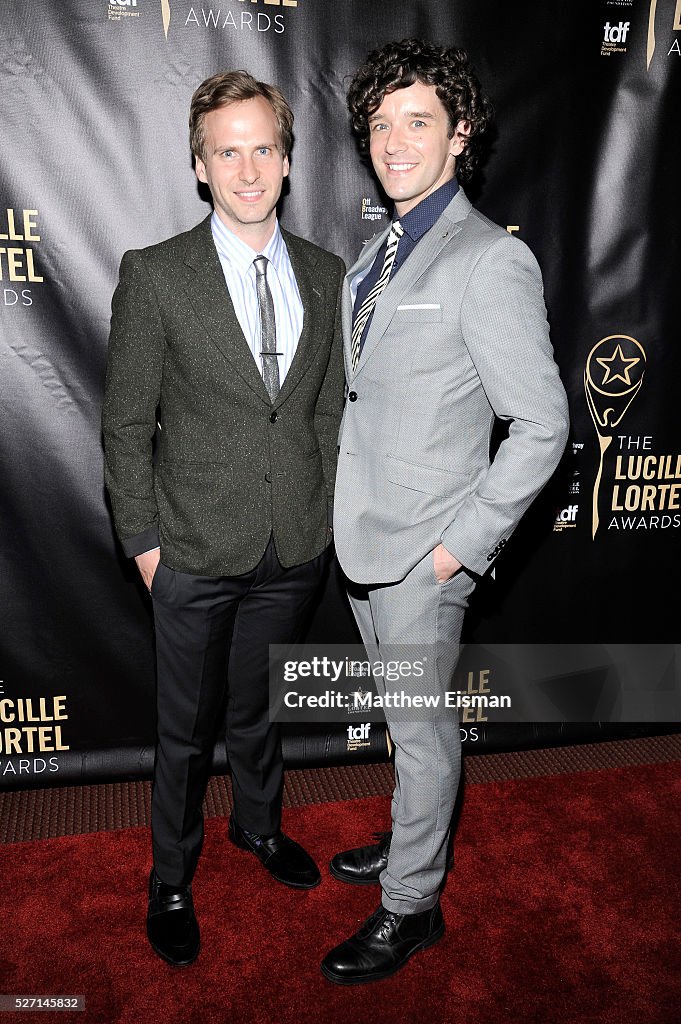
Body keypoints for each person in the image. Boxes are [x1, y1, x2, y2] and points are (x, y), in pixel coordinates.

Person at [322, 38, 570, 984]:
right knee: (401, 717)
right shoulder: (375, 252)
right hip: (363, 535)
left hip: (424, 551)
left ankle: (410, 906)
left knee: (422, 730)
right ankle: (408, 840)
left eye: (417, 121)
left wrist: (454, 550)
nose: (393, 140)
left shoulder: (486, 259)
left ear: (460, 135)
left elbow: (541, 425)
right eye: (380, 124)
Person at [102, 70, 345, 967]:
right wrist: (146, 546)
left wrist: (317, 516)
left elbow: (324, 410)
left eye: (263, 147)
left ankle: (259, 827)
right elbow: (126, 425)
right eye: (226, 150)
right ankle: (169, 878)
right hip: (192, 549)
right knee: (182, 730)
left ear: (287, 160)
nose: (247, 167)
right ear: (199, 167)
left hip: (293, 545)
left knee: (259, 710)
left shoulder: (326, 272)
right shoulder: (156, 275)